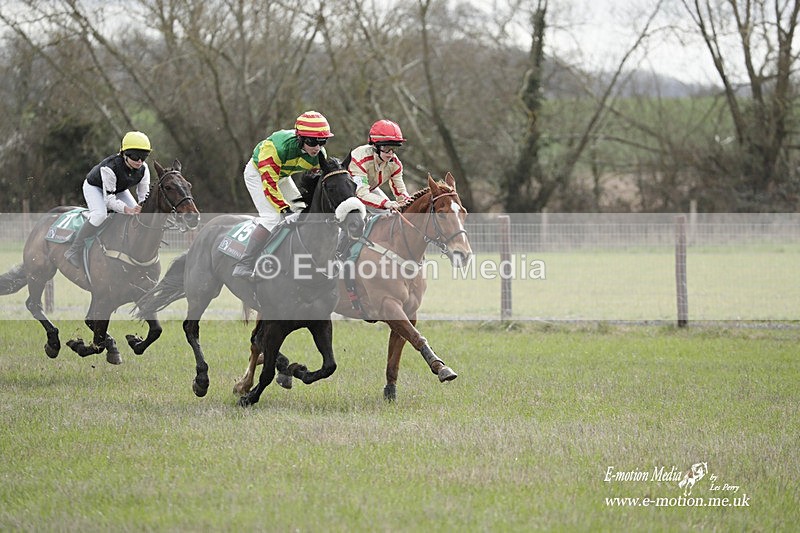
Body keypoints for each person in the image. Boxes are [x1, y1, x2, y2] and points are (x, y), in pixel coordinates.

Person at [232, 110, 334, 279]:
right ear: (300, 138)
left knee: (303, 211)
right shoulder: (276, 148)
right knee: (272, 218)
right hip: (258, 174)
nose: (317, 147)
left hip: (283, 176)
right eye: (312, 141)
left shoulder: (319, 155)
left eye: (322, 141)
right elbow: (269, 184)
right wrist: (284, 208)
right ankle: (244, 263)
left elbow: (314, 185)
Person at [64, 131, 152, 268]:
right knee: (100, 215)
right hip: (95, 187)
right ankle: (74, 249)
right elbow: (109, 200)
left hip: (119, 189)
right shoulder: (110, 168)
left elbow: (144, 195)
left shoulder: (144, 169)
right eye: (135, 156)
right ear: (124, 154)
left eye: (144, 156)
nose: (140, 161)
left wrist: (141, 206)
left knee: (137, 216)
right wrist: (127, 209)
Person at [345, 119, 411, 210]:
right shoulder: (359, 160)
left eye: (394, 148)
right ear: (375, 146)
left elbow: (400, 191)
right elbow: (361, 194)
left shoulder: (395, 164)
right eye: (386, 148)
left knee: (389, 213)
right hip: (347, 195)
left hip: (369, 190)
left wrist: (407, 200)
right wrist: (386, 203)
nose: (390, 154)